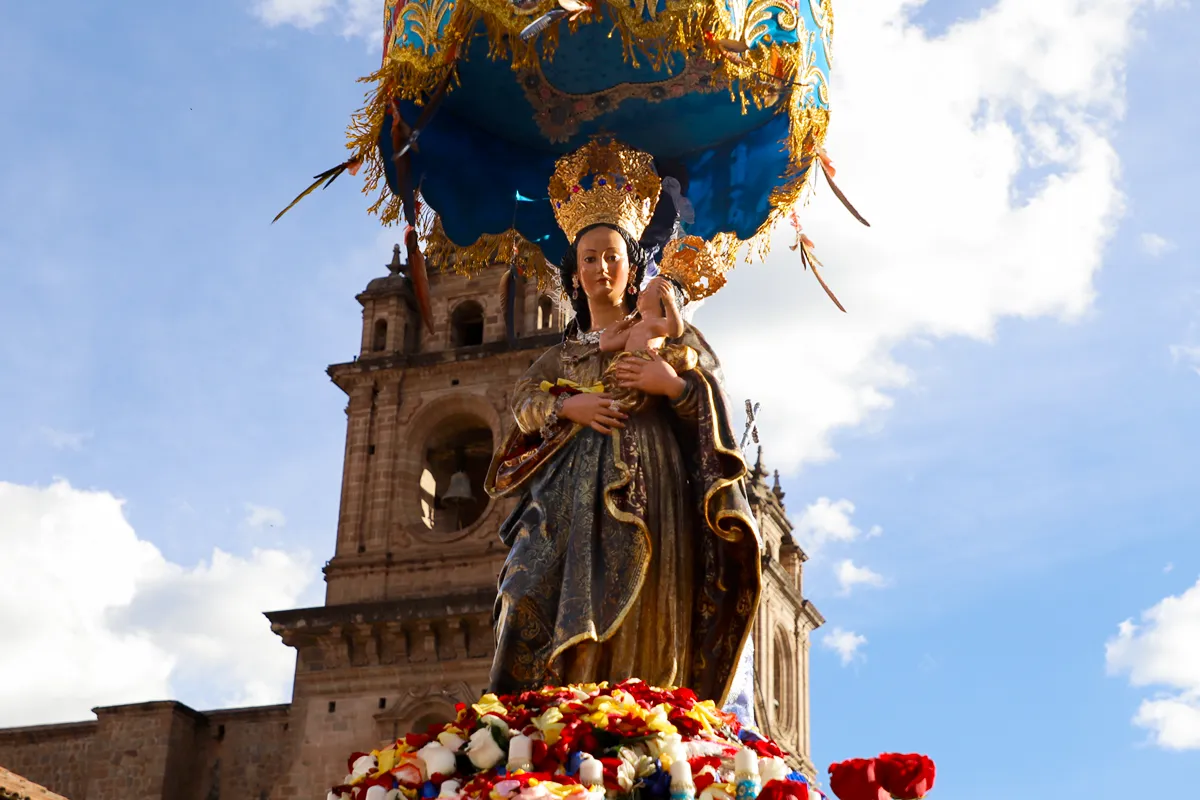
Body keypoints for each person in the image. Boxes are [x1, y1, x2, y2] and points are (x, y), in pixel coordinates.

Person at [484, 139, 761, 705]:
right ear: (574, 270)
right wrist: (569, 406)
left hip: (649, 483)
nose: (600, 268)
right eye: (589, 258)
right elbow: (524, 405)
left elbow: (705, 394)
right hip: (564, 499)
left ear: (632, 266)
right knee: (526, 587)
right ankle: (554, 712)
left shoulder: (664, 332)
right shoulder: (560, 356)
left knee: (646, 596)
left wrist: (672, 387)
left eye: (612, 256)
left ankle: (640, 711)